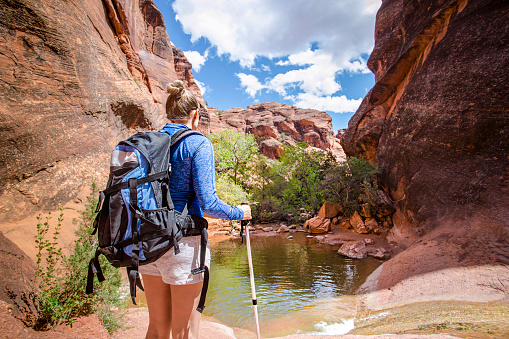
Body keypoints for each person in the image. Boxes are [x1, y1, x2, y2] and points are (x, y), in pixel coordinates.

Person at [139, 79, 251, 339]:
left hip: (147, 242)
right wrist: (240, 212)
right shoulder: (198, 144)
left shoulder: (149, 142)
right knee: (184, 331)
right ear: (195, 115)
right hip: (183, 245)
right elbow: (209, 203)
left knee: (156, 329)